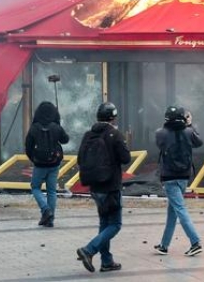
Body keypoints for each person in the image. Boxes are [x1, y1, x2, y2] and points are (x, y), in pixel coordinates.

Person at [76, 102, 131, 273]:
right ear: (113, 118)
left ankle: (107, 261)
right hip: (111, 186)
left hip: (95, 187)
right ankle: (89, 250)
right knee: (115, 224)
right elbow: (126, 158)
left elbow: (80, 159)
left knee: (104, 223)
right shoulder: (115, 134)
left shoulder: (88, 134)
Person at [153, 106, 203, 256]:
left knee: (179, 209)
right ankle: (164, 245)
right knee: (172, 212)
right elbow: (199, 142)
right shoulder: (188, 132)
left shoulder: (160, 133)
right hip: (184, 177)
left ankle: (195, 242)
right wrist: (189, 124)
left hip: (169, 178)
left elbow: (161, 142)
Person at [25, 101, 69, 227]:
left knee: (35, 187)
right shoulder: (56, 127)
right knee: (51, 191)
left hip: (39, 164)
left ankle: (45, 210)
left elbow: (28, 147)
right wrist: (59, 126)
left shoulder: (34, 128)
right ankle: (50, 219)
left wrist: (34, 159)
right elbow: (65, 140)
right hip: (54, 163)